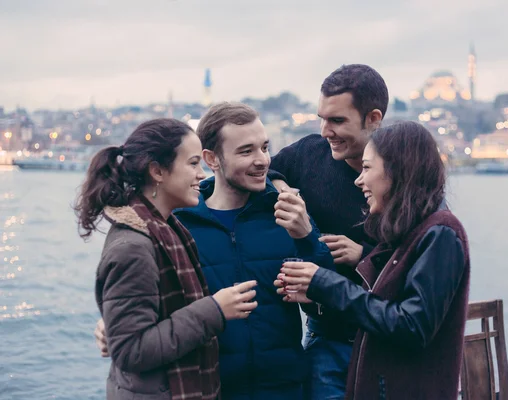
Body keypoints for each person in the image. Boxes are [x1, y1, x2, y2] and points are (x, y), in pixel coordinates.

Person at [94, 105, 334, 400]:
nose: (262, 161)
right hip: (209, 389)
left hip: (285, 389)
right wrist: (112, 323)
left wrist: (308, 238)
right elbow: (145, 299)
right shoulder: (177, 223)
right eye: (246, 151)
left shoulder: (287, 211)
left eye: (265, 147)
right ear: (212, 159)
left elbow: (330, 301)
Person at [277, 121, 471, 399]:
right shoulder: (409, 231)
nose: (358, 180)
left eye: (367, 168)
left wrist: (324, 283)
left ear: (396, 171)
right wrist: (316, 291)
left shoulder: (441, 232)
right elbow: (384, 302)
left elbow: (411, 326)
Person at [76, 118, 258, 400]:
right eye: (193, 163)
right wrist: (215, 310)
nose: (202, 174)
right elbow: (130, 350)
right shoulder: (133, 247)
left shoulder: (168, 227)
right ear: (157, 171)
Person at [268, 64, 388, 399]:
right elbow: (265, 171)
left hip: (384, 340)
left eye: (337, 121)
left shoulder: (400, 171)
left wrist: (362, 255)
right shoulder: (311, 153)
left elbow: (418, 256)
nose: (325, 131)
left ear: (373, 119)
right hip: (326, 335)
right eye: (322, 118)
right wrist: (286, 193)